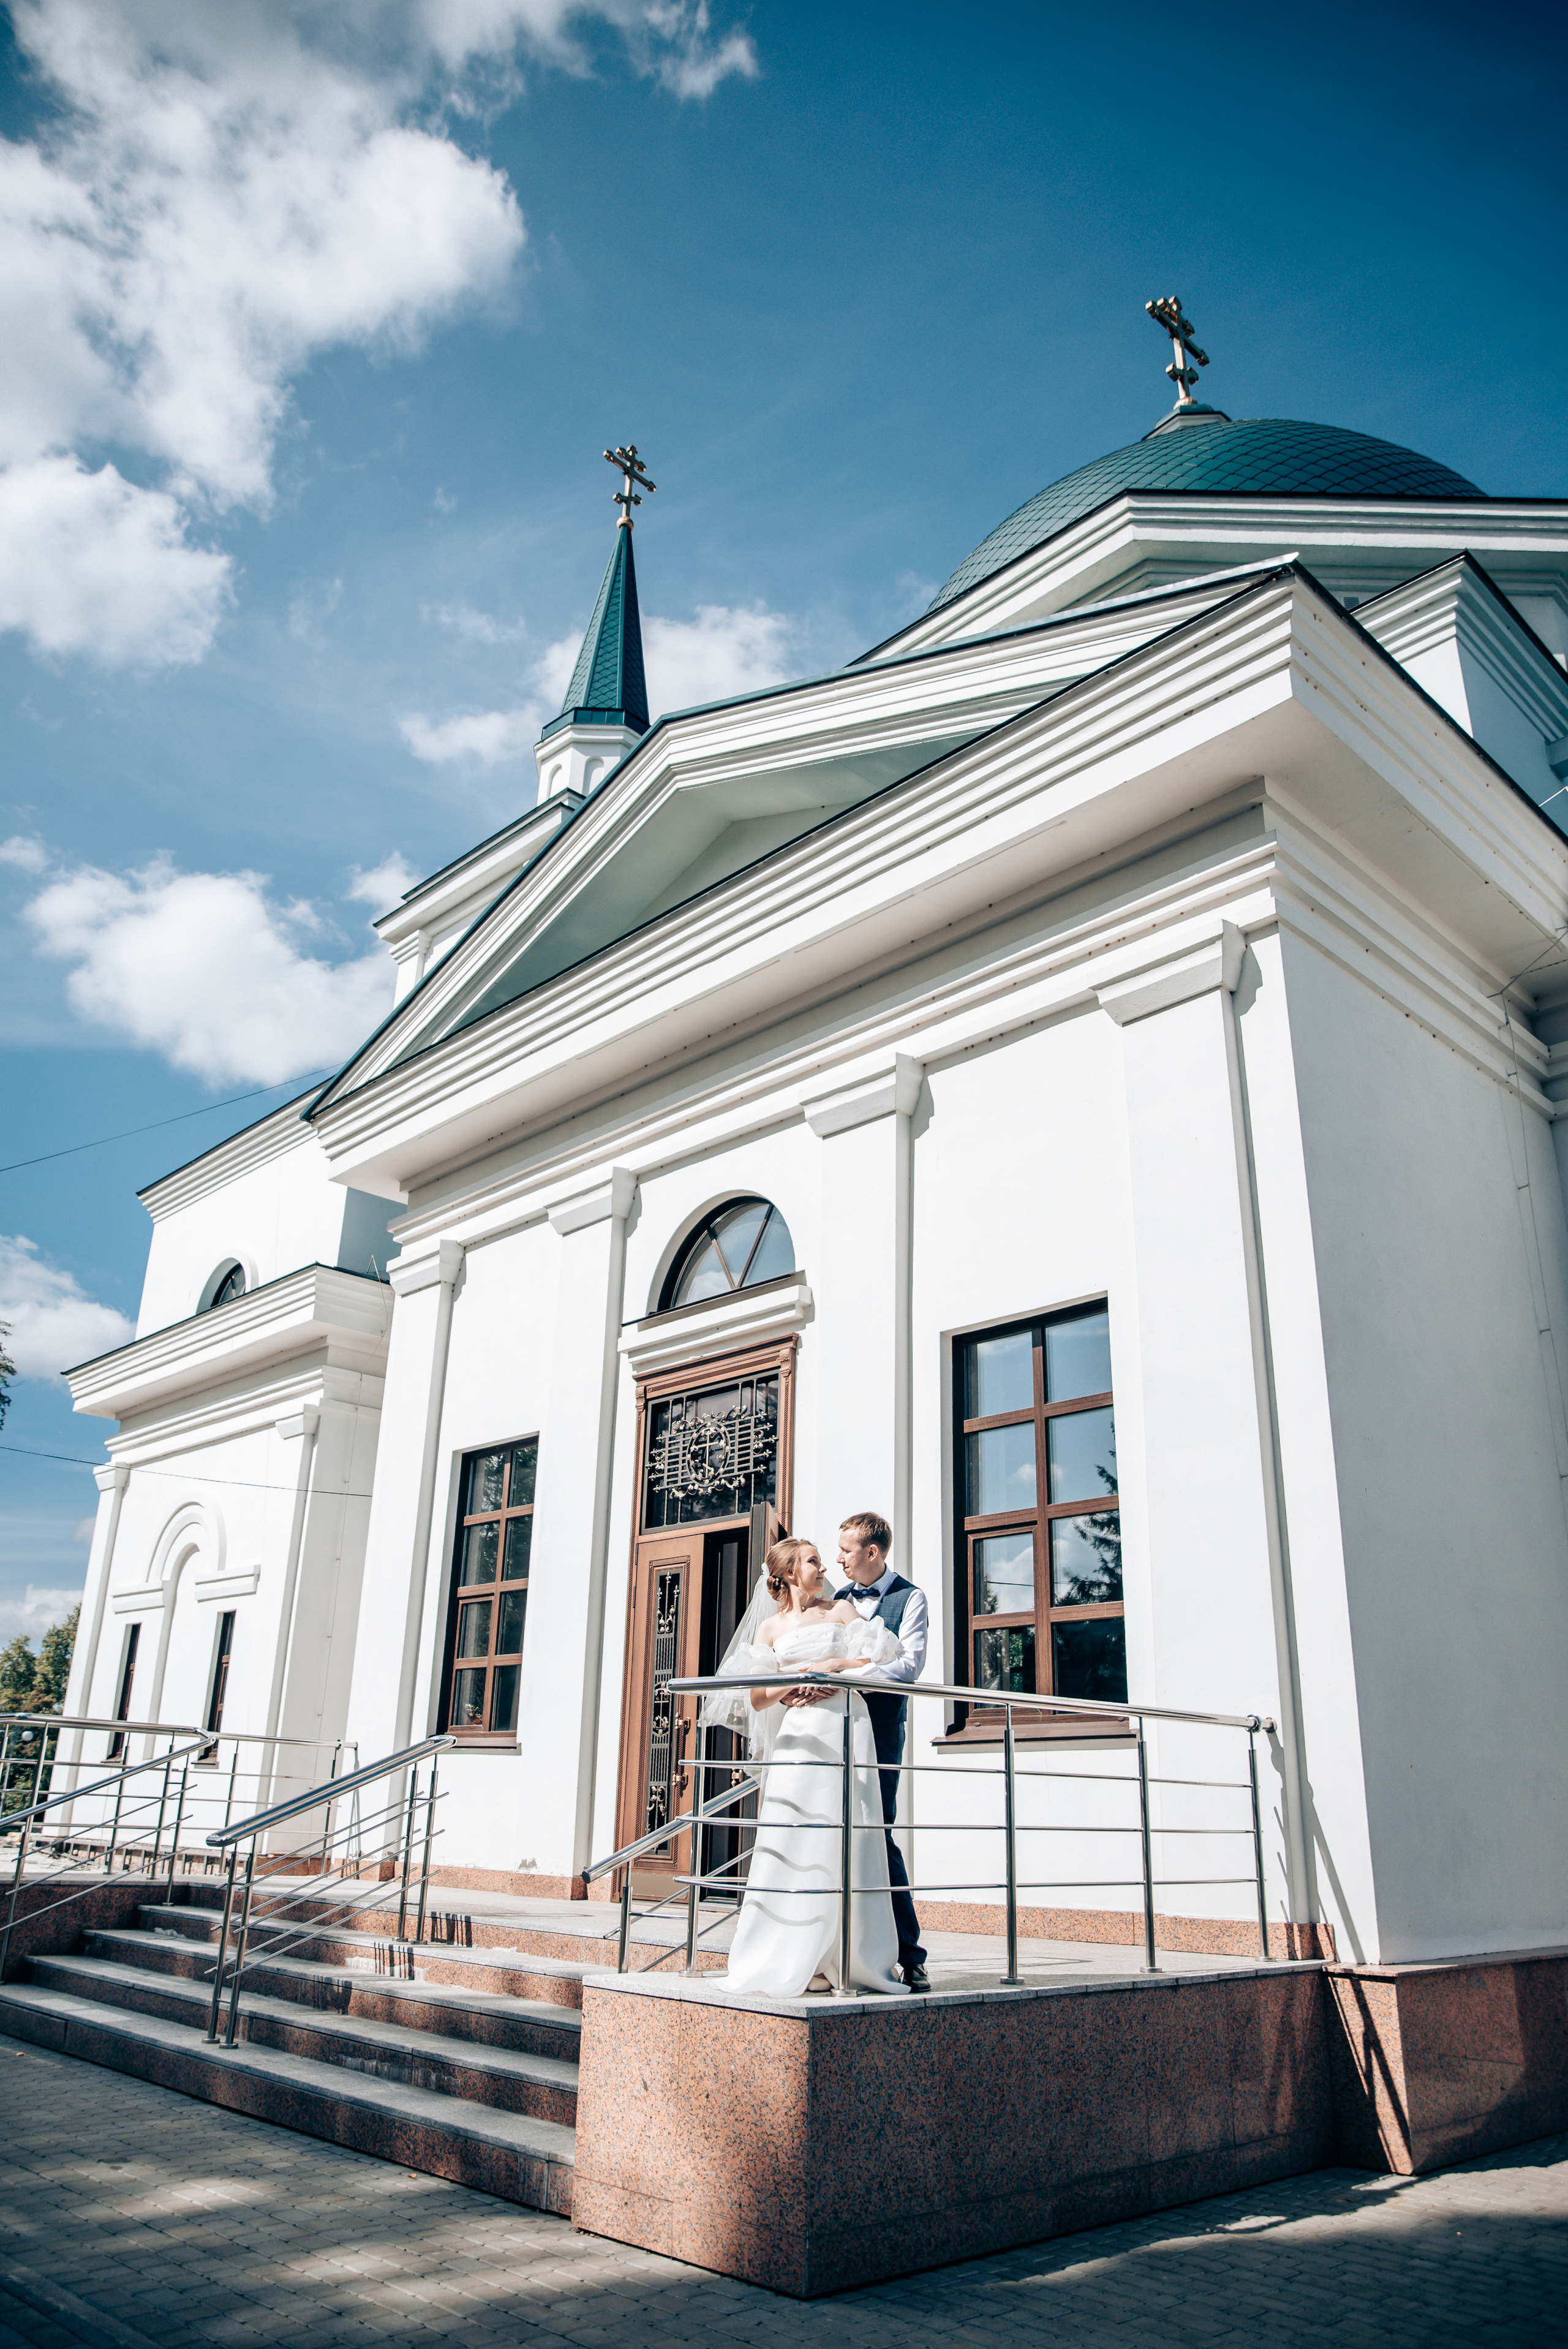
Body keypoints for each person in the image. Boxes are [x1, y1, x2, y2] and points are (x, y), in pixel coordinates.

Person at [706, 1536, 907, 1999]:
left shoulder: (841, 1610)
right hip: (799, 1737)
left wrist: (834, 1667)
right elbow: (759, 1697)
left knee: (850, 1833)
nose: (825, 1567)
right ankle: (797, 1957)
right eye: (814, 1561)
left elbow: (880, 1657)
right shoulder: (770, 1629)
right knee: (796, 1834)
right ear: (790, 1572)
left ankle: (849, 1959)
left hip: (846, 1725)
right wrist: (796, 1681)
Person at [829, 1511, 929, 1990]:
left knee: (878, 1831)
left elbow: (907, 1669)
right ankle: (841, 1953)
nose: (839, 1559)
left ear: (872, 1552)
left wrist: (845, 1669)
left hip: (883, 1729)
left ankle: (910, 1955)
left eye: (846, 1550)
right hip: (836, 1727)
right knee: (834, 1831)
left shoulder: (911, 1598)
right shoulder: (837, 1600)